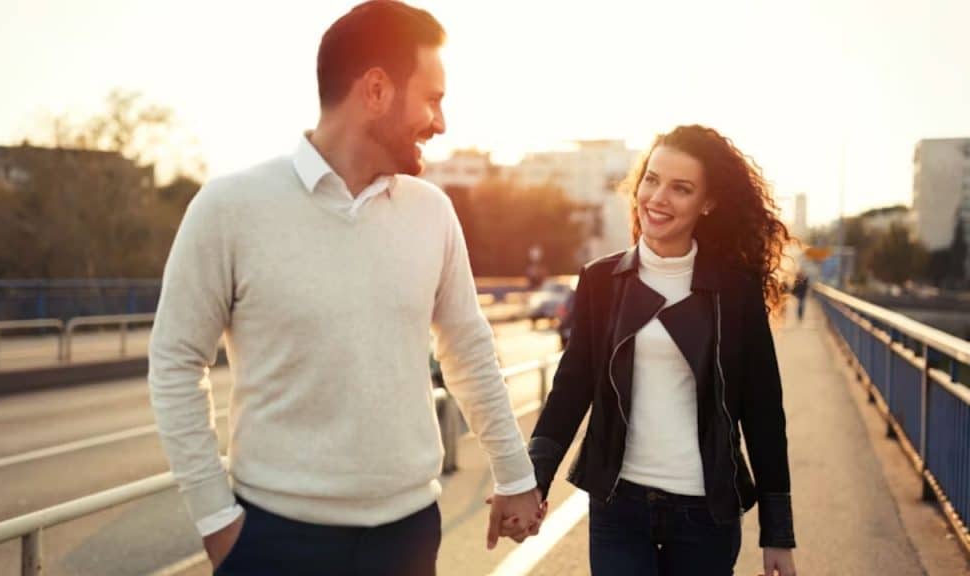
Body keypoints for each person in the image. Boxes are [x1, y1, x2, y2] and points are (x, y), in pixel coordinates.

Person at [148, 2, 542, 574]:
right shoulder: (229, 208)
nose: (441, 122)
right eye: (432, 98)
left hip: (406, 539)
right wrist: (217, 523)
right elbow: (175, 361)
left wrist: (514, 473)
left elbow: (467, 347)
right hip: (274, 541)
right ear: (377, 90)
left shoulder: (432, 213)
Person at [526, 125, 798, 575]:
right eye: (651, 180)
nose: (658, 197)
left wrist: (778, 534)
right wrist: (532, 480)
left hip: (705, 515)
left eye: (681, 188)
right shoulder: (600, 281)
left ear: (707, 203)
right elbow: (570, 389)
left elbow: (764, 412)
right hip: (619, 508)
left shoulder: (735, 292)